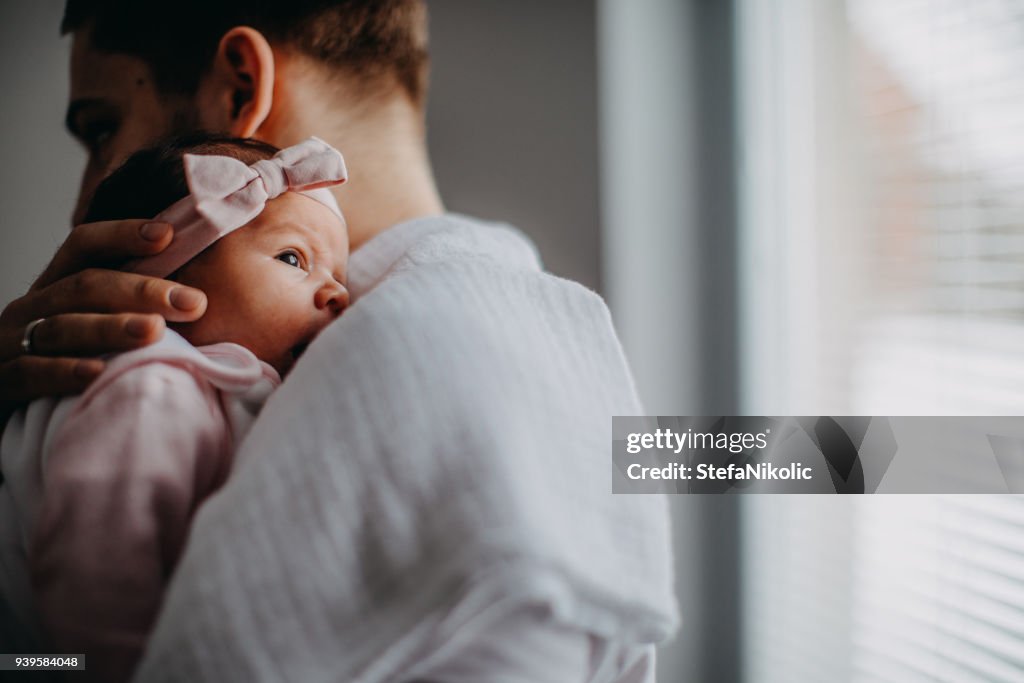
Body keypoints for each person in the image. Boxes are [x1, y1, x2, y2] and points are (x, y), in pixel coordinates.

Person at [0, 2, 679, 680]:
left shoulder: (396, 359)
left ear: (241, 87)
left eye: (102, 129)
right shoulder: (544, 332)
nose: (84, 200)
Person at [1, 134, 350, 681]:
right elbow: (95, 570)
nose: (337, 295)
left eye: (339, 276)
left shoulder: (209, 379)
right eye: (292, 258)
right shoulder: (152, 384)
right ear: (169, 282)